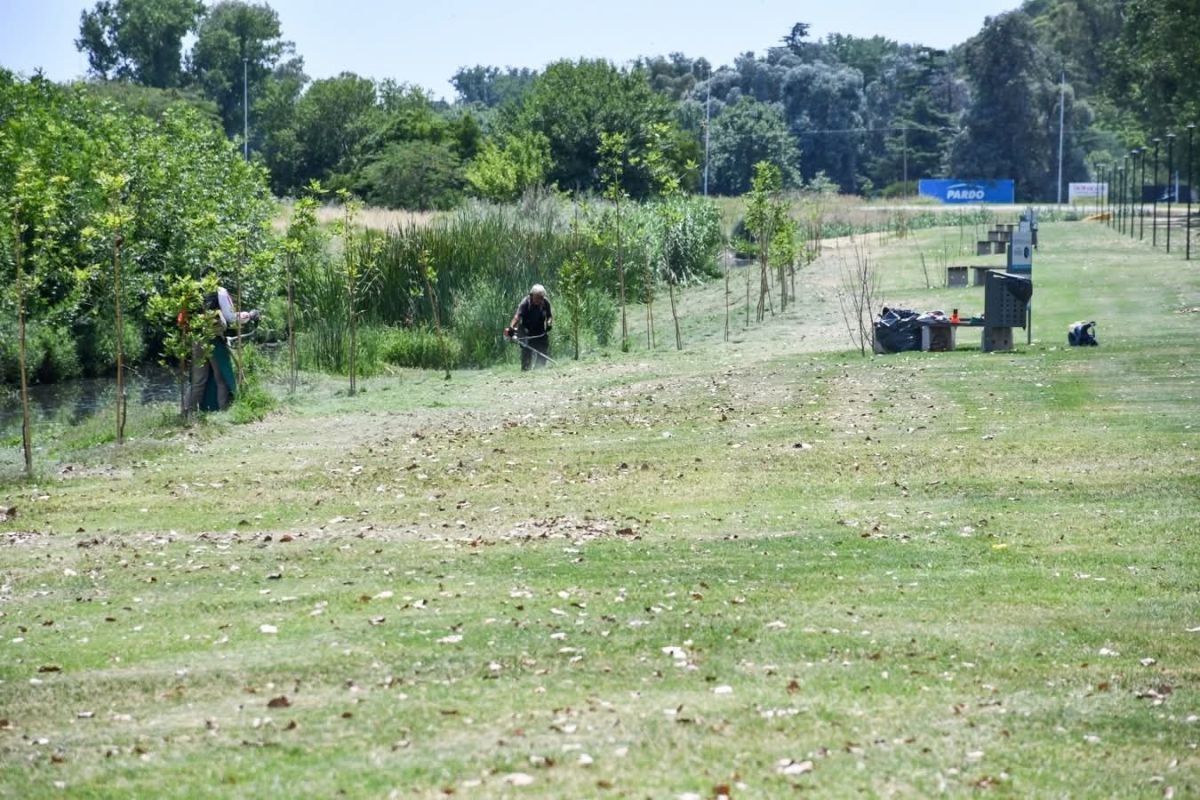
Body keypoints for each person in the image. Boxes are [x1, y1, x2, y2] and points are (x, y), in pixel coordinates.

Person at [187, 285, 258, 412]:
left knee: (197, 382)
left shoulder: (193, 290)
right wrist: (249, 315)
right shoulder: (220, 292)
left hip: (197, 339)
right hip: (215, 340)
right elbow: (231, 317)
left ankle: (188, 414)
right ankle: (223, 411)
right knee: (222, 379)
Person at [508, 283, 553, 370]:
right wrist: (511, 327)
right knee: (527, 353)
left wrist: (549, 322)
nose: (540, 300)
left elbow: (549, 316)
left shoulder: (545, 302)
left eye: (541, 297)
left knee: (543, 350)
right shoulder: (525, 303)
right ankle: (525, 371)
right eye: (538, 297)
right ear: (532, 295)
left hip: (540, 331)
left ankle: (539, 370)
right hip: (526, 331)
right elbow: (517, 317)